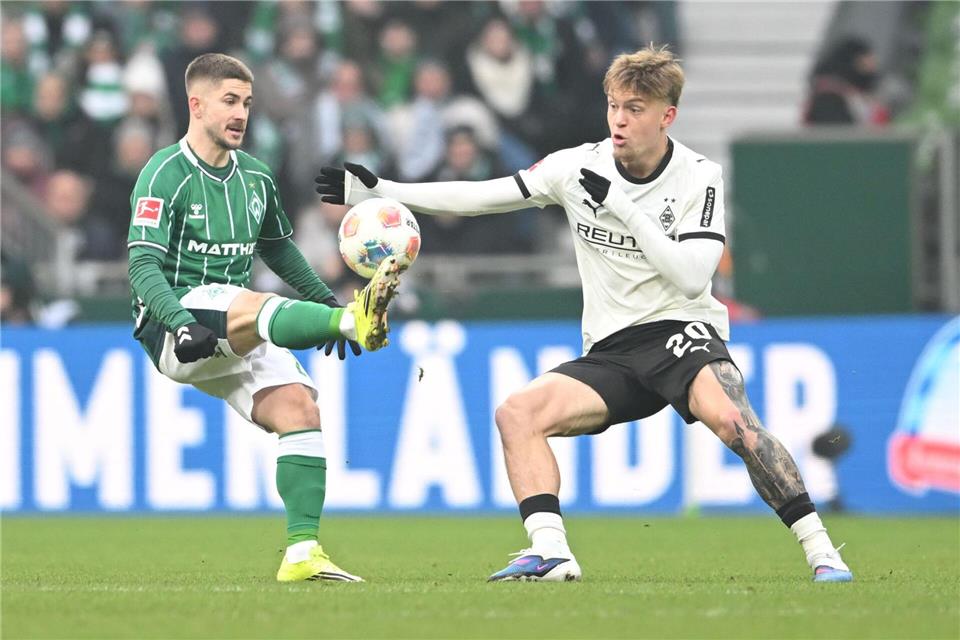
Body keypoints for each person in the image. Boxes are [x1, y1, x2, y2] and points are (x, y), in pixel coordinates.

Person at [315, 45, 854, 584]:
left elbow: (692, 276)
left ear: (667, 115)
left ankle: (823, 552)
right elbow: (482, 196)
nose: (620, 119)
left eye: (635, 109)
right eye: (614, 105)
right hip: (612, 351)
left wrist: (622, 206)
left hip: (680, 333)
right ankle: (551, 551)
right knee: (516, 414)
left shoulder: (698, 176)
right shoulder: (574, 167)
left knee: (734, 423)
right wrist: (382, 190)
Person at [127, 53, 407, 583]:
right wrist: (179, 321)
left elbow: (278, 249)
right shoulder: (164, 173)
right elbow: (142, 265)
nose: (241, 113)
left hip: (232, 325)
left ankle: (302, 553)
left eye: (248, 103)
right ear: (196, 105)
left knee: (299, 409)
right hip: (175, 323)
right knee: (255, 304)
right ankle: (355, 321)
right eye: (230, 101)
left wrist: (324, 300)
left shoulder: (256, 177)